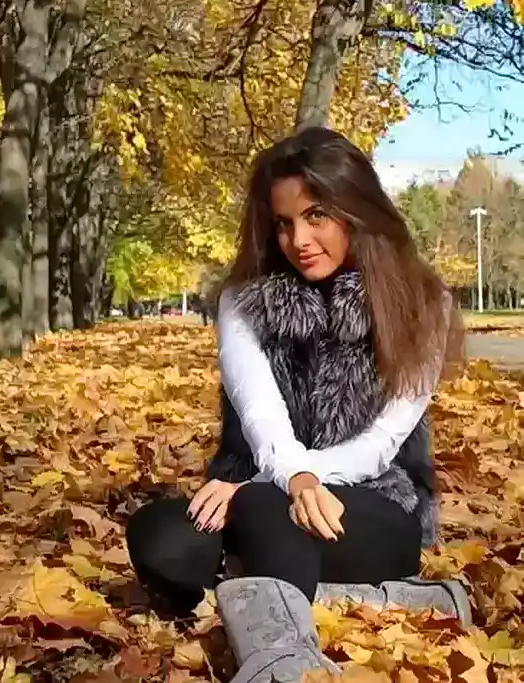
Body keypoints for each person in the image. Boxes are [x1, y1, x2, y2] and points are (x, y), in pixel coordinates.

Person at [126, 129, 468, 683]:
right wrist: (284, 481)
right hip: (254, 491)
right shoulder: (242, 301)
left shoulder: (424, 304)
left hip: (370, 506)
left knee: (266, 511)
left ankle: (282, 664)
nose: (298, 240)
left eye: (316, 217)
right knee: (160, 537)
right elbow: (262, 418)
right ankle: (384, 600)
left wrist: (285, 483)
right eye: (283, 223)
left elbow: (381, 444)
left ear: (355, 211)